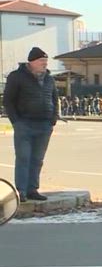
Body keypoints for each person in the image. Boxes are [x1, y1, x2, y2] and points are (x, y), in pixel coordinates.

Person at [2, 47, 59, 202]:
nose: (45, 64)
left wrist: (53, 118)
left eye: (46, 61)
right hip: (24, 124)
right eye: (41, 61)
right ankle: (21, 191)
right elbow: (8, 101)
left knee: (37, 159)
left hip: (44, 125)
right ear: (32, 62)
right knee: (23, 158)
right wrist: (16, 121)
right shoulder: (17, 77)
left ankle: (32, 189)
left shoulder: (49, 79)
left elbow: (55, 99)